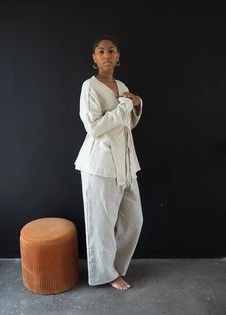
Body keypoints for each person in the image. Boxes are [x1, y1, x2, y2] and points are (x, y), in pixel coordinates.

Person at [74, 35, 143, 291]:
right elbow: (93, 127)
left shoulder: (121, 84)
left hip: (125, 161)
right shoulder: (89, 87)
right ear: (94, 58)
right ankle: (106, 274)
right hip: (99, 163)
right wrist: (125, 106)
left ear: (118, 56)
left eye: (111, 50)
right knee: (101, 224)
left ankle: (115, 267)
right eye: (100, 51)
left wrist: (136, 104)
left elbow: (127, 124)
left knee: (133, 221)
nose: (106, 55)